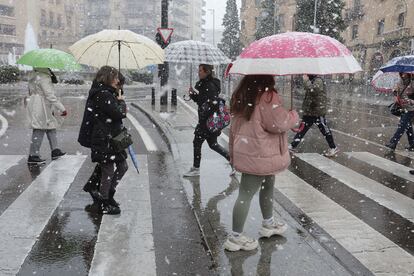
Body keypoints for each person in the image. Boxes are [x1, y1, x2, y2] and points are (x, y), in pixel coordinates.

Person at [224, 75, 299, 251]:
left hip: (249, 149)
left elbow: (236, 124)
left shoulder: (243, 93)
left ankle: (268, 222)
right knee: (246, 193)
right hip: (259, 152)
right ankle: (235, 237)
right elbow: (278, 123)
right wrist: (292, 115)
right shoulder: (267, 96)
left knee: (267, 184)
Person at [78, 66, 128, 215]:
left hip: (113, 136)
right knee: (108, 169)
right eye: (115, 78)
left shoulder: (107, 92)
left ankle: (103, 193)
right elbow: (118, 114)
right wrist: (121, 102)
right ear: (107, 78)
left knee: (122, 166)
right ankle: (103, 202)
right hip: (105, 138)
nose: (117, 80)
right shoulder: (103, 94)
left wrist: (118, 94)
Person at [183, 64, 231, 177]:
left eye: (200, 70)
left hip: (207, 122)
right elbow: (202, 101)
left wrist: (204, 113)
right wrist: (193, 94)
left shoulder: (209, 85)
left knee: (197, 143)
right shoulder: (206, 84)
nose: (198, 72)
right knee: (213, 144)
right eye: (198, 70)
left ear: (207, 72)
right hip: (209, 121)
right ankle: (232, 160)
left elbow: (211, 103)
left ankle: (196, 168)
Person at [289, 74, 339, 157]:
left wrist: (305, 81)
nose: (306, 74)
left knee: (324, 130)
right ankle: (292, 146)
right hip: (310, 111)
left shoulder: (318, 80)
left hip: (317, 111)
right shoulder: (312, 80)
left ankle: (333, 147)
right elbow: (306, 92)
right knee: (302, 129)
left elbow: (313, 90)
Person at [27, 67, 67, 164]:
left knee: (51, 126)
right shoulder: (44, 76)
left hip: (37, 103)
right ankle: (33, 155)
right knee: (39, 129)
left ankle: (55, 150)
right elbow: (49, 95)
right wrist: (61, 108)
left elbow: (31, 90)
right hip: (42, 105)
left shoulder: (34, 74)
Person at [385, 73, 414, 151]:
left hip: (411, 108)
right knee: (408, 126)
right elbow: (397, 93)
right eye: (401, 73)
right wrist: (395, 91)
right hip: (402, 107)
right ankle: (412, 144)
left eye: (404, 73)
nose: (402, 74)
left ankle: (393, 143)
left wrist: (410, 101)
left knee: (402, 125)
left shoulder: (412, 82)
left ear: (409, 73)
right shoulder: (400, 81)